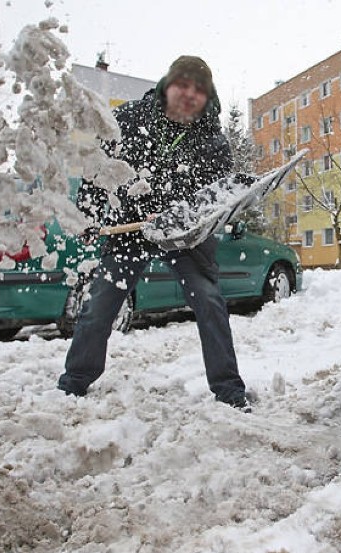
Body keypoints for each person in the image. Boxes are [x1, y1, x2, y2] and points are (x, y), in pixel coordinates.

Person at [57, 55, 250, 411]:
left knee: (209, 302)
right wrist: (89, 214)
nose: (189, 94)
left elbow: (212, 198)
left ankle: (229, 390)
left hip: (182, 232)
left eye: (199, 89)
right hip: (130, 228)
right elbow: (99, 171)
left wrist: (179, 211)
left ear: (208, 97)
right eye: (183, 84)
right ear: (167, 84)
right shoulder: (129, 119)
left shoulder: (213, 142)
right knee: (100, 303)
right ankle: (74, 382)